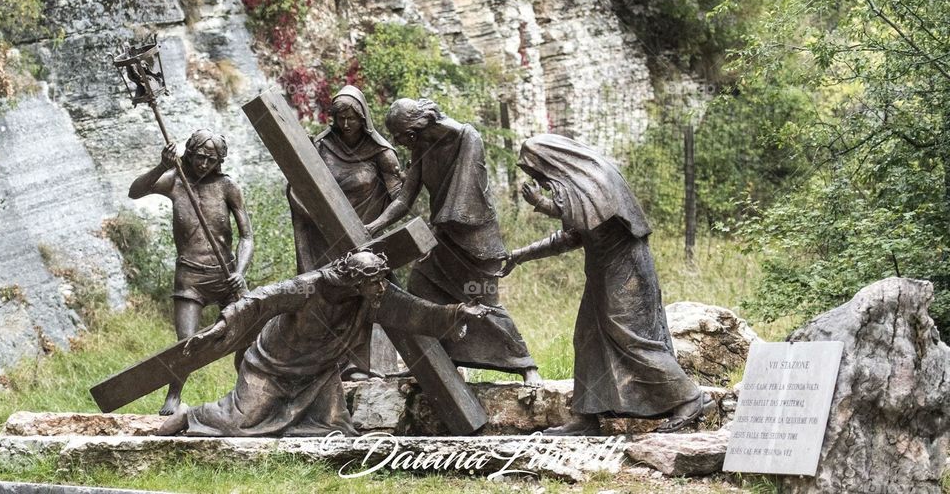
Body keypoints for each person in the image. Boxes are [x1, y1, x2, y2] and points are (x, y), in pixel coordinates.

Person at [157, 250, 494, 437]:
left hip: (318, 374)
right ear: (354, 282)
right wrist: (222, 325)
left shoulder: (374, 296)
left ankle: (292, 425)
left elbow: (414, 312)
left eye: (381, 281)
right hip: (271, 369)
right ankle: (191, 415)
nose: (382, 288)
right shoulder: (309, 287)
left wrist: (458, 312)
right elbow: (260, 301)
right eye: (374, 283)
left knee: (336, 431)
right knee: (236, 423)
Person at [499, 134, 707, 435]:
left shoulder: (597, 179)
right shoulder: (578, 189)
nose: (541, 182)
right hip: (602, 273)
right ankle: (588, 415)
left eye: (539, 175)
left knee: (632, 338)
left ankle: (689, 398)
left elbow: (584, 222)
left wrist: (545, 205)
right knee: (588, 338)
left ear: (553, 163)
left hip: (627, 272)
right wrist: (520, 255)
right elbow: (572, 235)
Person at [365, 98, 540, 385]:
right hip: (444, 237)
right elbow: (406, 197)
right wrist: (374, 226)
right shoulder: (422, 146)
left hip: (475, 240)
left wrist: (436, 233)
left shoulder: (466, 137)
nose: (400, 143)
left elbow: (464, 199)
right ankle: (432, 362)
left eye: (400, 137)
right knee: (420, 288)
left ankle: (525, 365)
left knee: (484, 301)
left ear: (414, 130)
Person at [128, 129, 253, 416]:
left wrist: (241, 271)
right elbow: (135, 192)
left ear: (219, 160)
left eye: (211, 159)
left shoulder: (227, 187)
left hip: (226, 276)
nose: (204, 164)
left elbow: (247, 236)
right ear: (189, 153)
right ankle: (174, 394)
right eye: (199, 157)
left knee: (247, 335)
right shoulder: (175, 181)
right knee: (186, 343)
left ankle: (247, 392)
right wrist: (163, 164)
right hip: (190, 278)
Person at [288, 85, 404, 380]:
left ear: (363, 117)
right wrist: (304, 205)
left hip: (366, 237)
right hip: (326, 238)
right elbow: (300, 185)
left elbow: (401, 199)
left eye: (352, 118)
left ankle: (364, 364)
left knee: (368, 294)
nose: (346, 124)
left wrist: (377, 226)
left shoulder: (381, 152)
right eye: (340, 118)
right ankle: (328, 364)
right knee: (332, 295)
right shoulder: (323, 146)